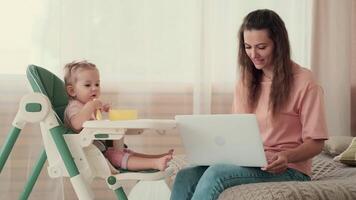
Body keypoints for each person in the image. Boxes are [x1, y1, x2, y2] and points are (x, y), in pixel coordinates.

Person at [170, 9, 328, 200]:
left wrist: (286, 156)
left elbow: (316, 143)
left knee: (216, 174)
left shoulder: (305, 81)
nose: (254, 55)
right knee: (185, 176)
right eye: (248, 47)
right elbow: (235, 131)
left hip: (288, 168)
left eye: (261, 47)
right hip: (249, 161)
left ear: (279, 44)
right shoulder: (246, 80)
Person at [63, 60, 173, 171]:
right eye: (87, 85)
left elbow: (92, 123)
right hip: (88, 153)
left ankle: (158, 158)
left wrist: (100, 110)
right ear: (72, 91)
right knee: (118, 156)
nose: (95, 88)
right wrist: (91, 106)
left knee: (125, 152)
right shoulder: (74, 106)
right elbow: (76, 124)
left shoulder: (86, 105)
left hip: (101, 149)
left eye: (97, 84)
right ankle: (154, 163)